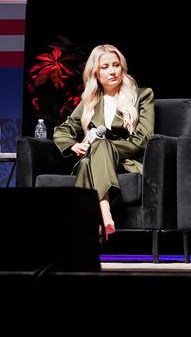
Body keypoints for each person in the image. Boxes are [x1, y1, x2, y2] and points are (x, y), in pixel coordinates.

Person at [53, 44, 154, 239]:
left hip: (126, 162)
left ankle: (97, 218)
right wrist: (73, 145)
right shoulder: (89, 102)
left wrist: (103, 146)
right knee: (84, 161)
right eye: (105, 67)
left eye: (116, 65)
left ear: (122, 68)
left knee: (95, 151)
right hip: (96, 163)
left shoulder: (142, 95)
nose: (112, 71)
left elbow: (143, 140)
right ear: (95, 73)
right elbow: (62, 131)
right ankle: (102, 214)